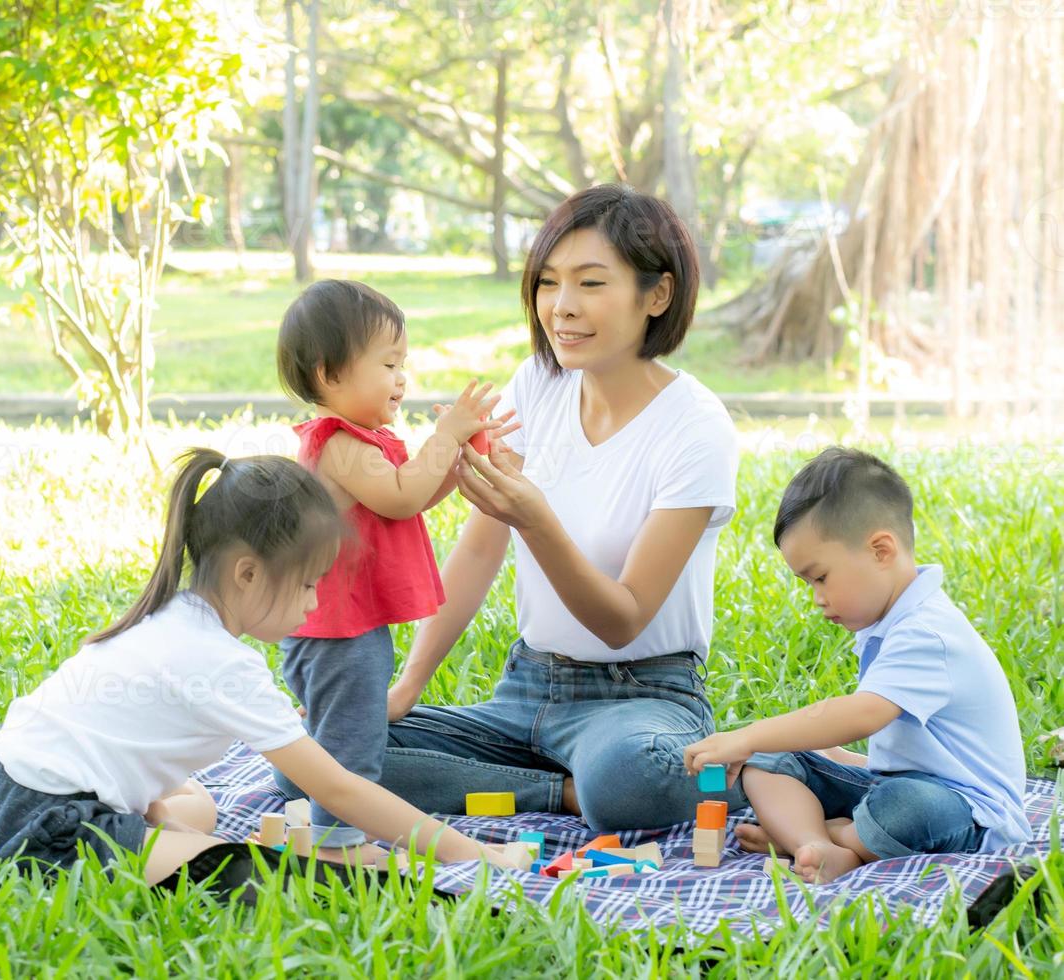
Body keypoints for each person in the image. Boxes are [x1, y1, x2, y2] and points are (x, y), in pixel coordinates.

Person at [0, 449, 515, 883]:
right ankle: (130, 845)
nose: (312, 603)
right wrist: (474, 854)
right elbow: (340, 790)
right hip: (47, 833)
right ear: (248, 574)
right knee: (257, 874)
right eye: (306, 584)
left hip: (0, 788)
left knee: (197, 806)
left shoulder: (173, 616)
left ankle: (146, 831)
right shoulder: (221, 662)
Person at [379, 184, 744, 830]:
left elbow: (622, 619)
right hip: (526, 692)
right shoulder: (539, 384)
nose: (561, 308)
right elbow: (480, 548)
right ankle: (564, 796)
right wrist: (407, 686)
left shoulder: (696, 428)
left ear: (656, 295)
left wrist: (535, 519)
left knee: (630, 781)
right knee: (322, 753)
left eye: (590, 283)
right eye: (548, 283)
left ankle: (765, 770)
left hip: (645, 699)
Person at [685, 447, 1031, 883]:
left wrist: (746, 735)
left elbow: (859, 715)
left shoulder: (927, 632)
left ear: (880, 550)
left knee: (906, 808)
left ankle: (820, 837)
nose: (817, 598)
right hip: (898, 785)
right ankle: (818, 846)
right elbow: (910, 750)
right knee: (768, 758)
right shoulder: (890, 622)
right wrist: (831, 757)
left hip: (968, 812)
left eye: (821, 577)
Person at [272, 280, 516, 859]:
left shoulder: (368, 441)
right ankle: (339, 841)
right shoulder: (337, 443)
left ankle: (330, 821)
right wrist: (444, 436)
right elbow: (401, 496)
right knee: (350, 741)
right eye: (388, 363)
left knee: (346, 732)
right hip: (336, 632)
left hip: (346, 626)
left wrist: (460, 457)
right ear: (330, 374)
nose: (402, 378)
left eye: (402, 363)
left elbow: (414, 496)